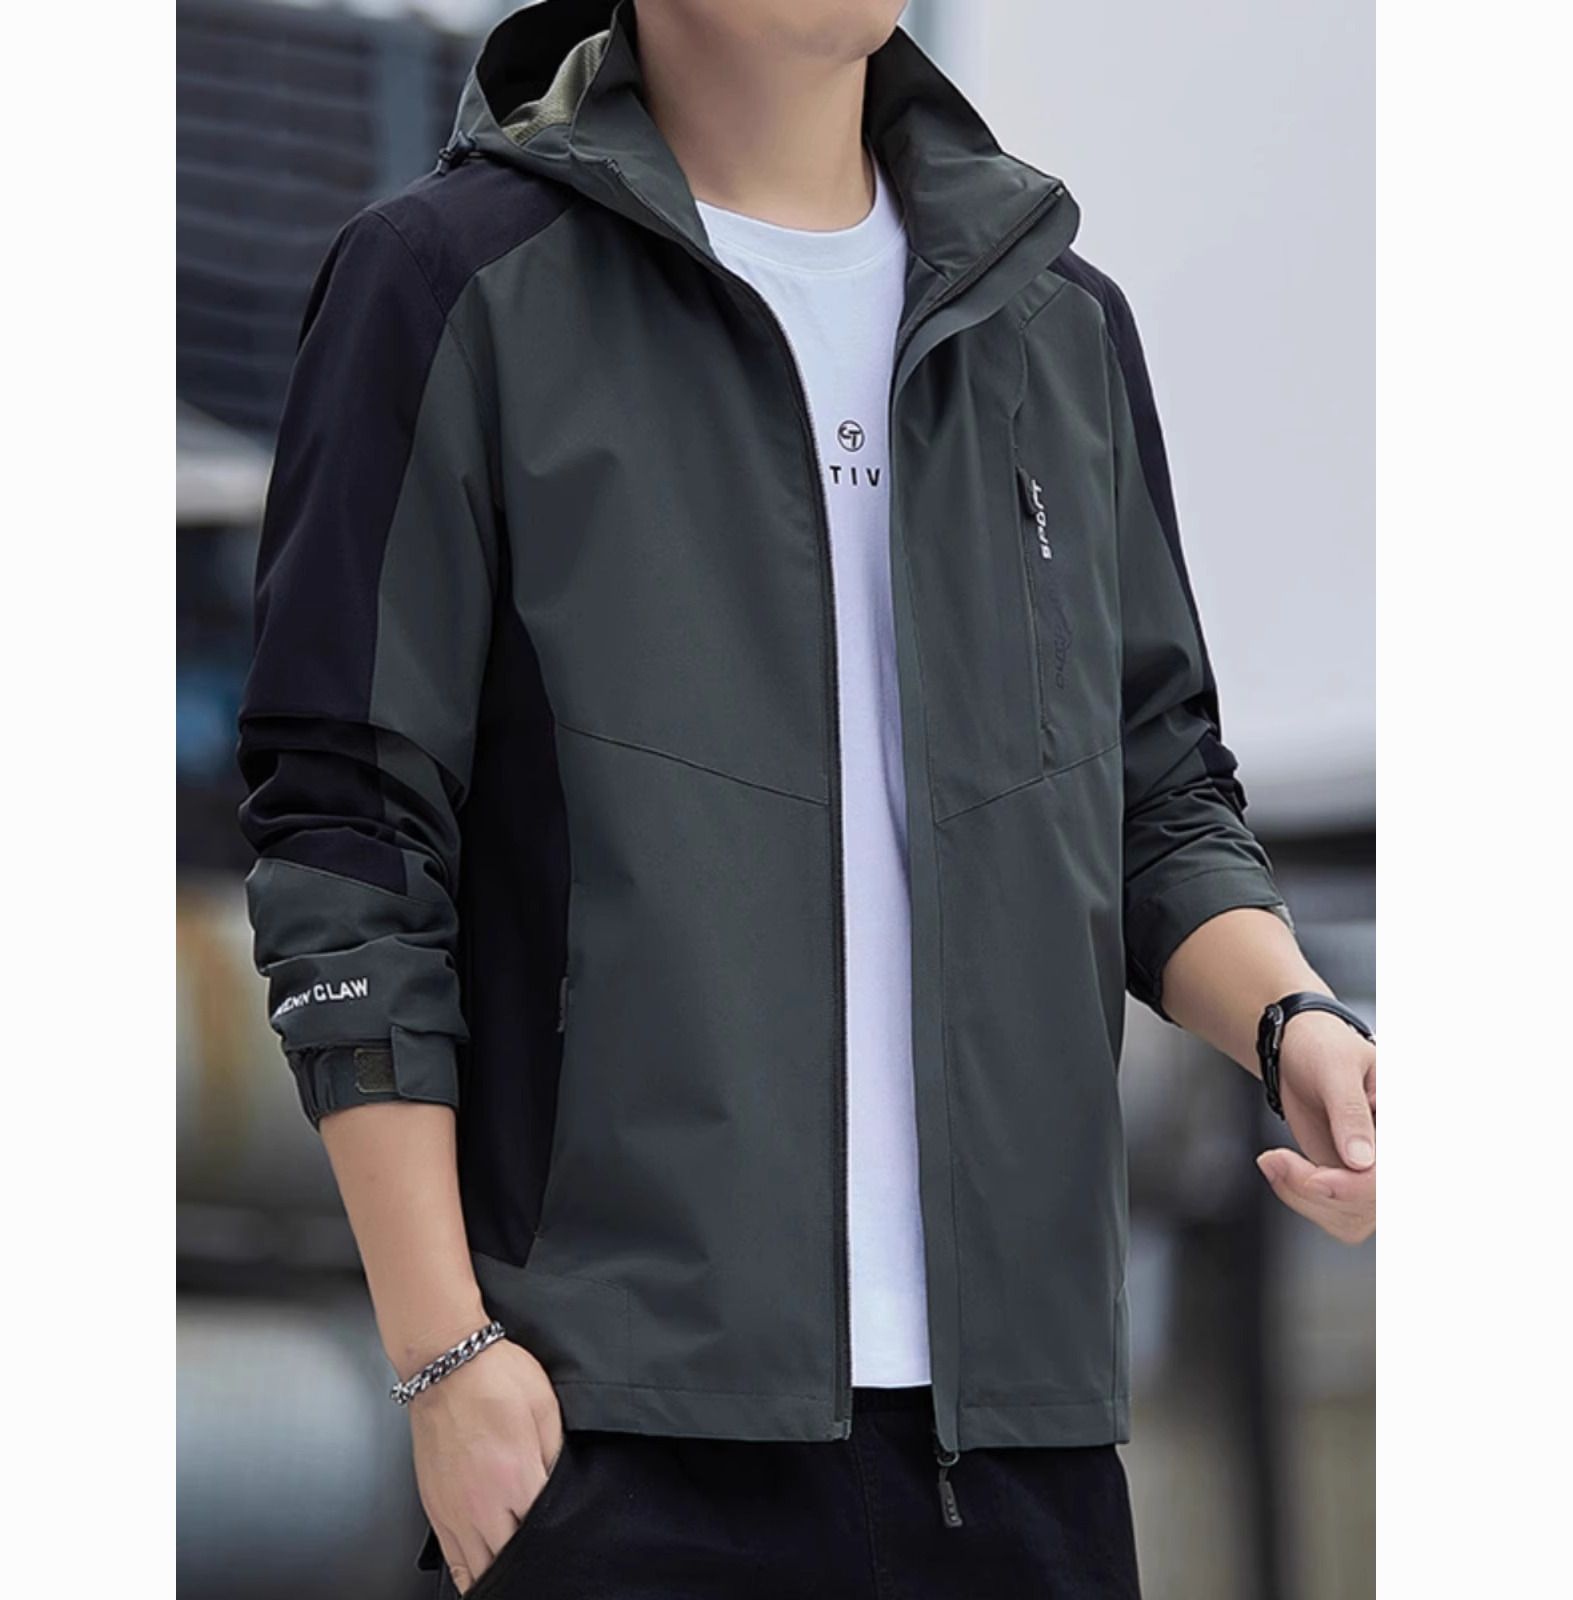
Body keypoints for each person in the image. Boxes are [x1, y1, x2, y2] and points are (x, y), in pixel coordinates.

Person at [237, 1, 1376, 1593]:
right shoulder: (451, 286)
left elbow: (1157, 790)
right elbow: (351, 833)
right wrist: (445, 1358)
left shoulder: (1052, 322)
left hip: (1021, 1452)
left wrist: (1295, 1021)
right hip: (615, 1437)